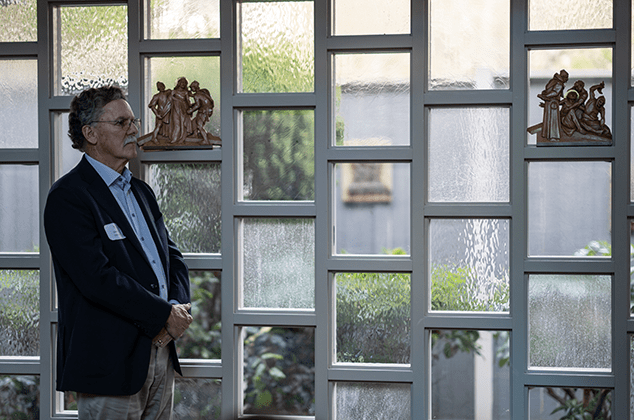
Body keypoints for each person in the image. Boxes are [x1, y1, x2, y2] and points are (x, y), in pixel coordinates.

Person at [44, 85, 192, 419]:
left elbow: (173, 258)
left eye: (134, 121)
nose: (135, 130)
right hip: (107, 362)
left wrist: (176, 310)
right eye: (122, 122)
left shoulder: (141, 191)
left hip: (160, 350)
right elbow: (96, 279)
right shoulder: (68, 198)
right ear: (90, 133)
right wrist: (162, 315)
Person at [537, 69, 569, 141]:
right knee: (553, 118)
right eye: (566, 78)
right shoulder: (559, 83)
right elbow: (555, 92)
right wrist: (545, 96)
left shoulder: (554, 81)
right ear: (564, 77)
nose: (567, 80)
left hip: (550, 102)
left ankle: (548, 134)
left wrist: (545, 96)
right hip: (553, 102)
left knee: (549, 118)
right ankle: (553, 136)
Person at [169, 77, 193, 144]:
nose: (183, 84)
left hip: (183, 110)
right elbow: (169, 99)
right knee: (176, 124)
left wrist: (194, 105)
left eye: (184, 83)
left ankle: (182, 139)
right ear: (179, 83)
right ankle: (174, 139)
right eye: (182, 82)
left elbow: (188, 102)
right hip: (175, 109)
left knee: (183, 124)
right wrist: (176, 100)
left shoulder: (185, 92)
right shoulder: (174, 92)